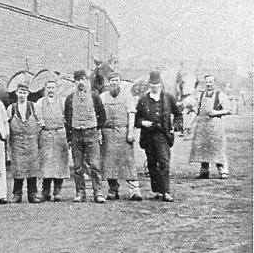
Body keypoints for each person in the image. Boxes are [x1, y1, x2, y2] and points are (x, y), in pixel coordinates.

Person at [135, 70, 183, 201]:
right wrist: (142, 122)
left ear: (160, 85)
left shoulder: (168, 98)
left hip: (163, 135)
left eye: (156, 84)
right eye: (152, 84)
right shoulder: (143, 100)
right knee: (151, 163)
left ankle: (165, 191)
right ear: (149, 85)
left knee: (164, 162)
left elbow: (178, 114)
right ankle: (156, 191)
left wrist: (176, 125)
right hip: (148, 136)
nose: (154, 87)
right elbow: (136, 119)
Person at [64, 69, 107, 203]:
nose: (80, 82)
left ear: (87, 81)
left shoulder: (94, 96)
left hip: (91, 133)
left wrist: (94, 128)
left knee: (94, 165)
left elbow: (102, 117)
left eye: (83, 79)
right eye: (78, 80)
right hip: (76, 134)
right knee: (77, 166)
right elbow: (68, 118)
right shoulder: (70, 98)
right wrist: (70, 136)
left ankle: (98, 192)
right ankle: (80, 192)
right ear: (74, 82)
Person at [99, 73, 143, 201]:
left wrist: (130, 132)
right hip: (108, 132)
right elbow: (100, 116)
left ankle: (134, 190)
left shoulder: (127, 97)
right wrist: (100, 133)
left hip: (123, 132)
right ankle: (113, 189)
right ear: (108, 83)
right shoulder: (103, 97)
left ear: (120, 82)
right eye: (111, 81)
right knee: (109, 163)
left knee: (128, 162)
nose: (114, 83)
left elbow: (131, 115)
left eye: (116, 81)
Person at [189, 74, 233, 179]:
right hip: (202, 125)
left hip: (215, 125)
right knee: (203, 147)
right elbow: (196, 110)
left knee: (217, 147)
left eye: (211, 82)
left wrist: (216, 112)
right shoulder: (200, 95)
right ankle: (204, 171)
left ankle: (223, 170)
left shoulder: (220, 95)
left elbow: (228, 109)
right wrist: (190, 123)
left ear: (215, 83)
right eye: (207, 82)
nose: (208, 84)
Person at [7, 81, 43, 203]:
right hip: (16, 141)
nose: (22, 95)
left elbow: (40, 123)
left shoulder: (34, 106)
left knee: (32, 167)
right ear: (16, 93)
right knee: (18, 167)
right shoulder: (11, 108)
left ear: (28, 93)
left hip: (32, 141)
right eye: (20, 92)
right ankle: (17, 194)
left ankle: (32, 194)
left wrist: (34, 135)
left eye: (24, 92)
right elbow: (7, 125)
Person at [35, 79, 69, 201]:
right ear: (45, 89)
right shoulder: (40, 102)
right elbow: (37, 116)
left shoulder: (62, 101)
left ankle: (57, 191)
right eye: (48, 88)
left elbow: (66, 116)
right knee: (46, 164)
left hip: (60, 134)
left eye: (52, 88)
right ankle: (45, 191)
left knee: (60, 164)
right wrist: (42, 124)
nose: (50, 90)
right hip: (46, 134)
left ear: (56, 89)